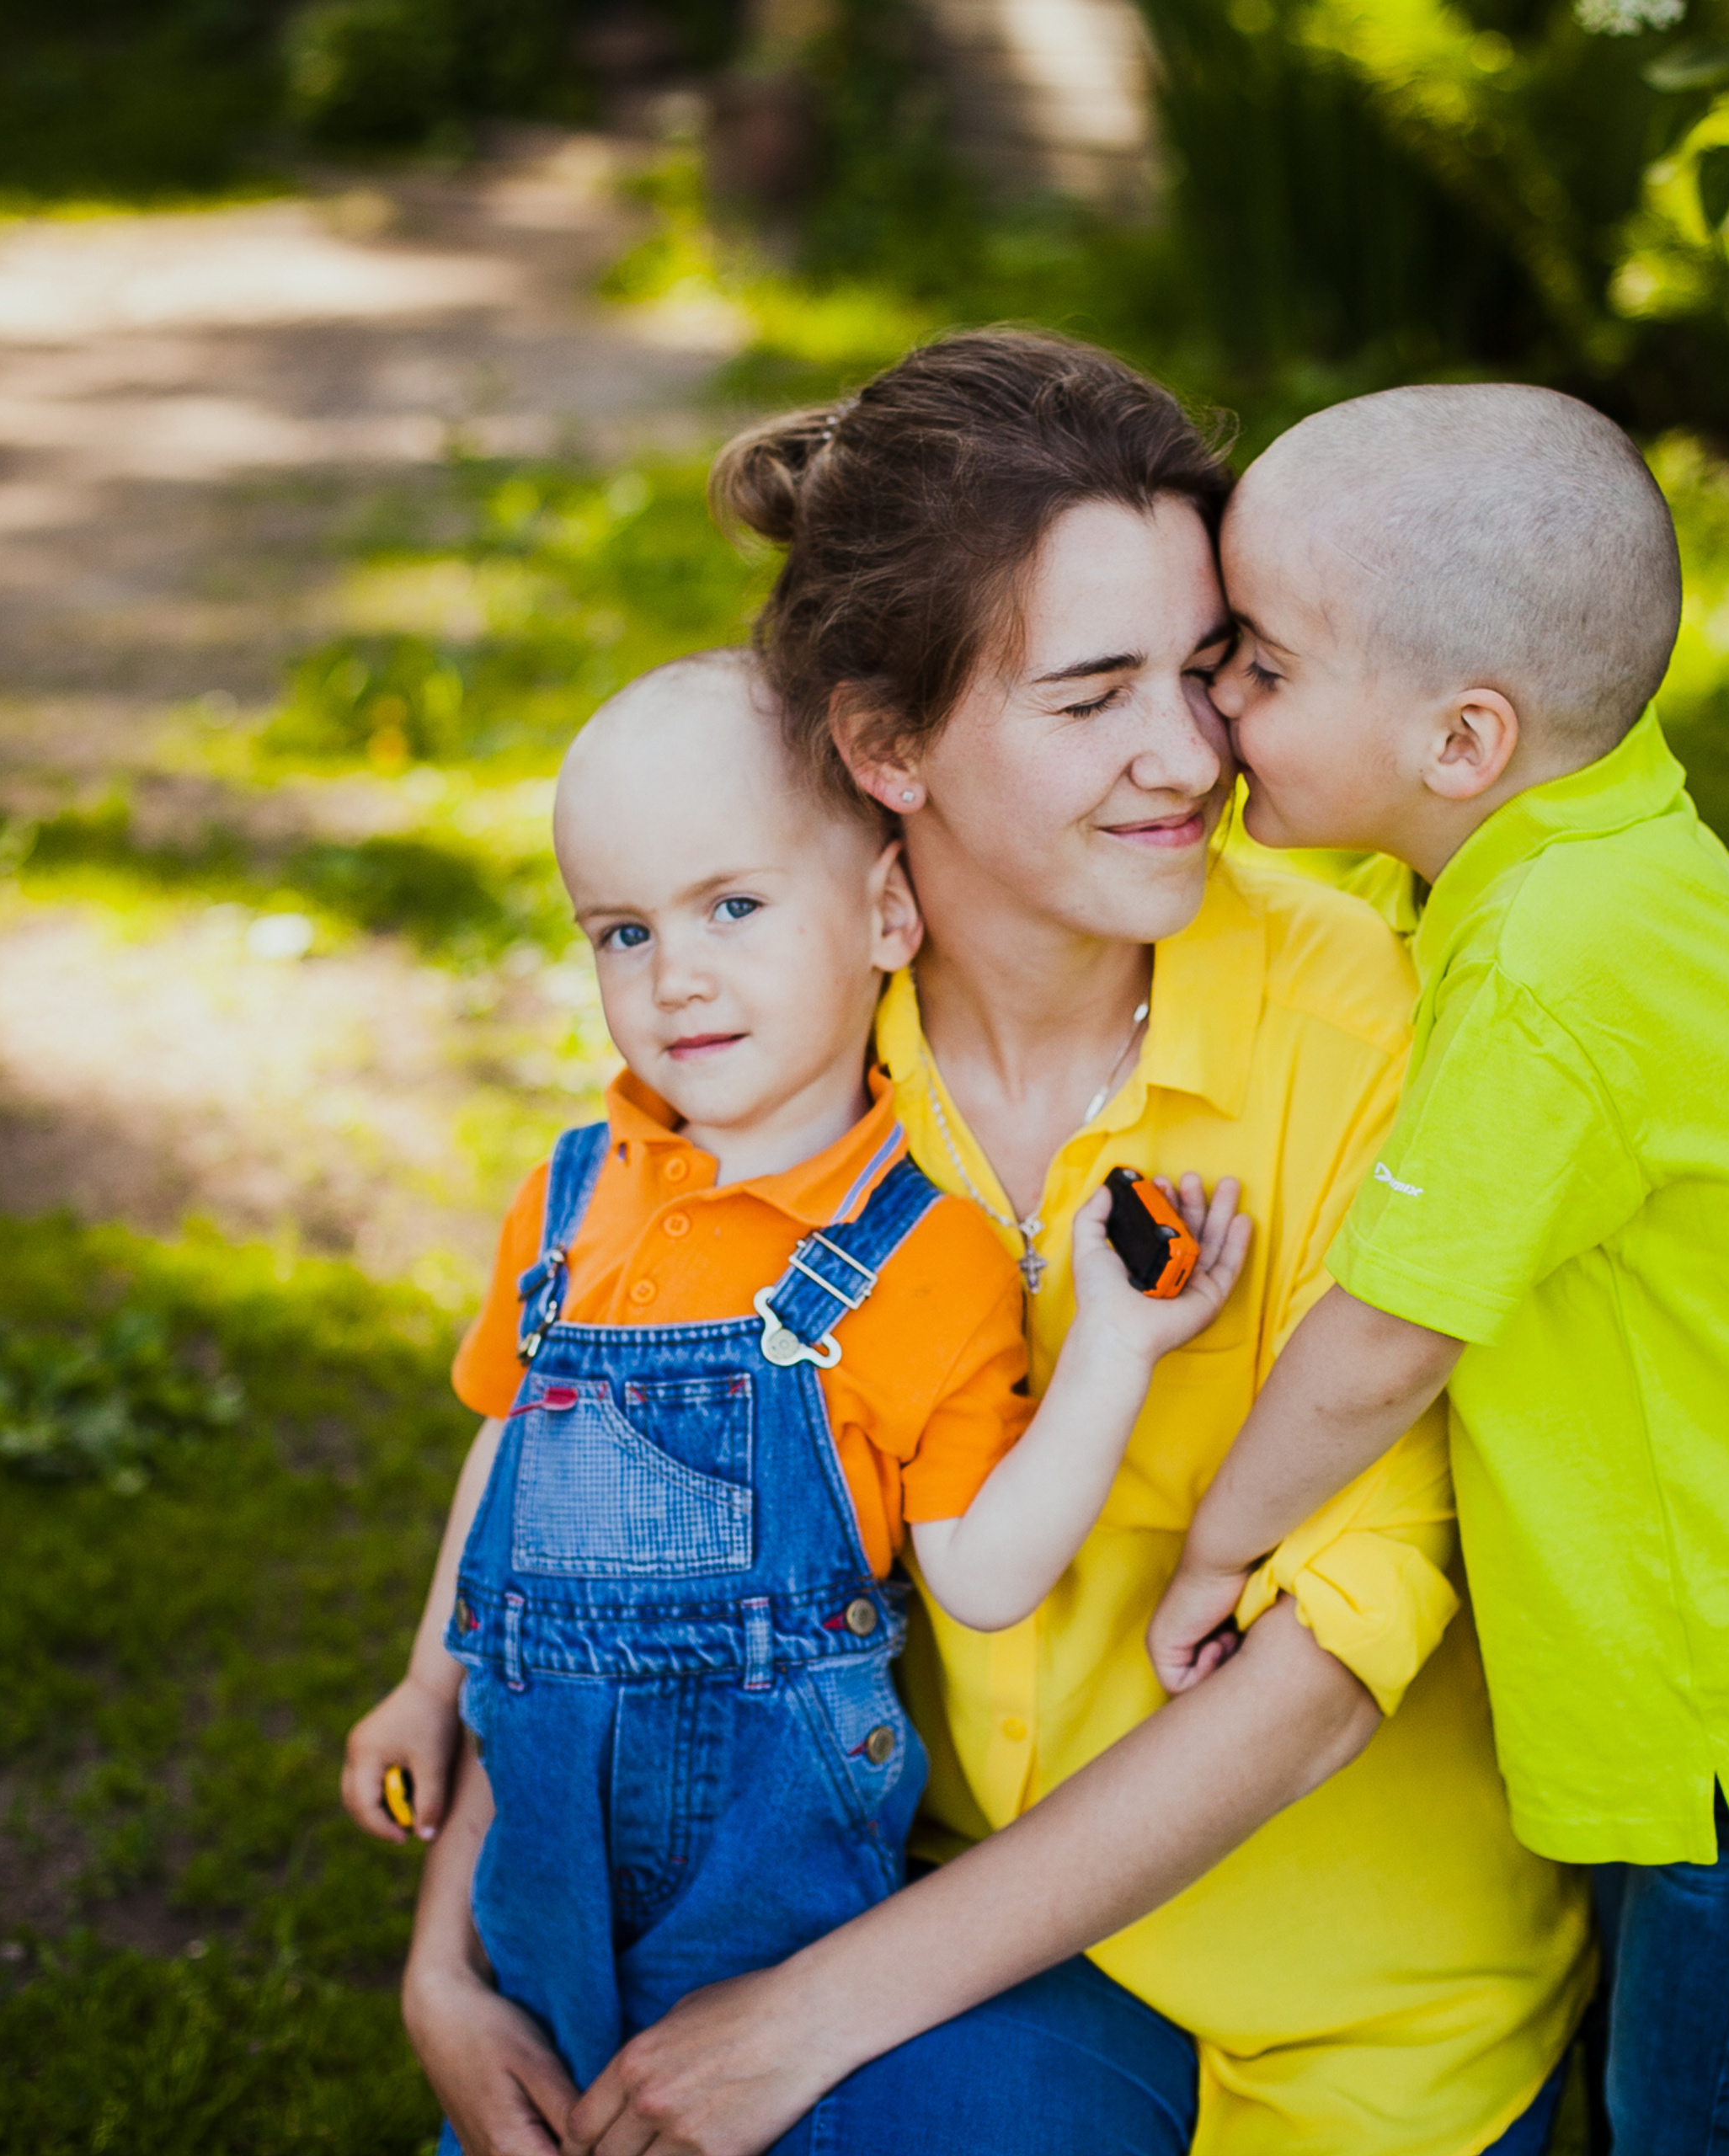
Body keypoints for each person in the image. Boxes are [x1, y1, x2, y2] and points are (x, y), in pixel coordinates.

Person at [398, 333, 1594, 2156]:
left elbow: (1330, 1662)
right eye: (1089, 693)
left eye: (1203, 672)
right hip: (947, 1913)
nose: (1186, 754)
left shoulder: (1364, 1017)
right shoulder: (777, 1037)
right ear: (887, 745)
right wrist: (446, 1959)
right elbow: (588, 1519)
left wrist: (802, 2017)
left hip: (1344, 2018)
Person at [1150, 382, 1729, 2153]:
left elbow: (1383, 1337)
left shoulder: (1550, 973)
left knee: (1688, 2116)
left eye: (1259, 666)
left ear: (1461, 737)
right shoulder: (1570, 844)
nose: (1215, 707)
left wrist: (1218, 1542)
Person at [340, 648, 1250, 2126]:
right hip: (540, 1879)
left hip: (776, 1907)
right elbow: (513, 1456)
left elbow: (991, 1572)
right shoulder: (572, 1201)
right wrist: (429, 1677)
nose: (675, 975)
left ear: (888, 913)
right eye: (622, 932)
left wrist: (1116, 1350)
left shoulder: (918, 1262)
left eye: (734, 908)